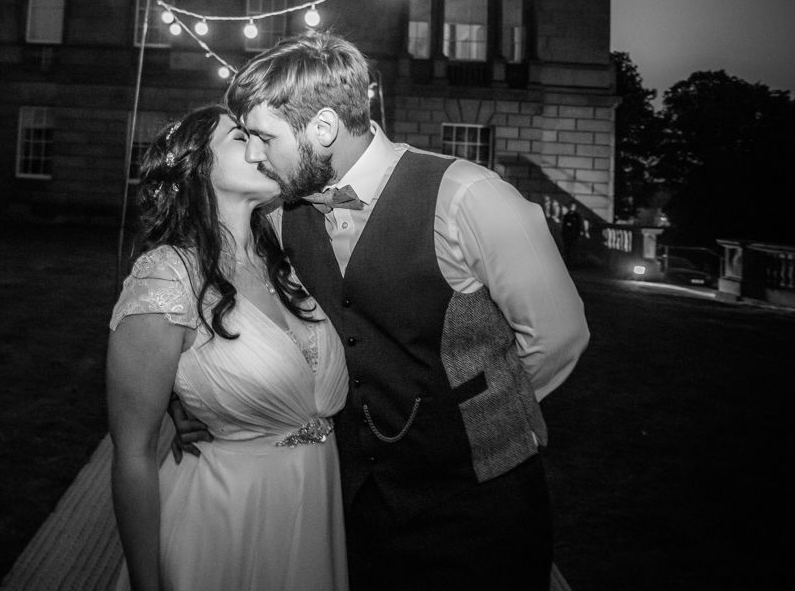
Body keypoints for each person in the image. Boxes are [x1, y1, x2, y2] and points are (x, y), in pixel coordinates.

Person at [220, 31, 590, 591]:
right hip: (352, 504)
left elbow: (559, 336)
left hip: (478, 507)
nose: (252, 154)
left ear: (322, 129)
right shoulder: (279, 217)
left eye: (263, 137)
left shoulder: (469, 196)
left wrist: (481, 410)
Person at [106, 104, 349, 591]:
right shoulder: (165, 277)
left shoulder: (283, 256)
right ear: (198, 168)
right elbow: (132, 452)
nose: (260, 147)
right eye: (241, 137)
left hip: (311, 511)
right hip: (223, 524)